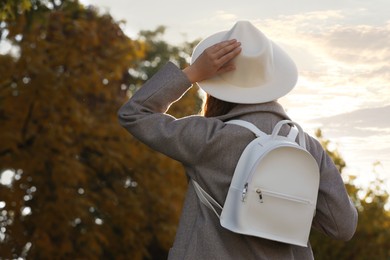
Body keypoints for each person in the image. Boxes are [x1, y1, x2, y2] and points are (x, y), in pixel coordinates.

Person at [118, 21, 358, 260]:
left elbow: (134, 114)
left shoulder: (209, 138)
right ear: (271, 80)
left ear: (215, 85)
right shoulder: (307, 148)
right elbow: (343, 226)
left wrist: (191, 73)